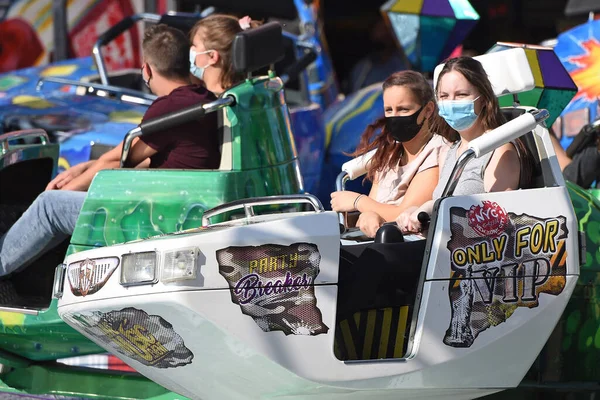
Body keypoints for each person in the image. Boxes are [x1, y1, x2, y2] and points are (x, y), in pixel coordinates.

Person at [0, 19, 252, 277]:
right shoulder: (203, 98)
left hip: (161, 213)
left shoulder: (172, 108)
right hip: (172, 202)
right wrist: (83, 169)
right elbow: (136, 156)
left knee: (49, 206)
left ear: (147, 70)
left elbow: (118, 161)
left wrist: (63, 188)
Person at [396, 56, 533, 233]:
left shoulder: (500, 151)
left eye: (461, 95)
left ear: (483, 99)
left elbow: (496, 224)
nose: (451, 103)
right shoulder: (449, 151)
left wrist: (434, 212)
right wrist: (415, 211)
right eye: (444, 96)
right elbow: (445, 200)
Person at [330, 70, 453, 237]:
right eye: (389, 110)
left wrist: (357, 201)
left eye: (403, 109)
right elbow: (372, 210)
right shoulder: (389, 152)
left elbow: (404, 215)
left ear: (428, 110)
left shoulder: (437, 151)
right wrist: (366, 215)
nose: (395, 117)